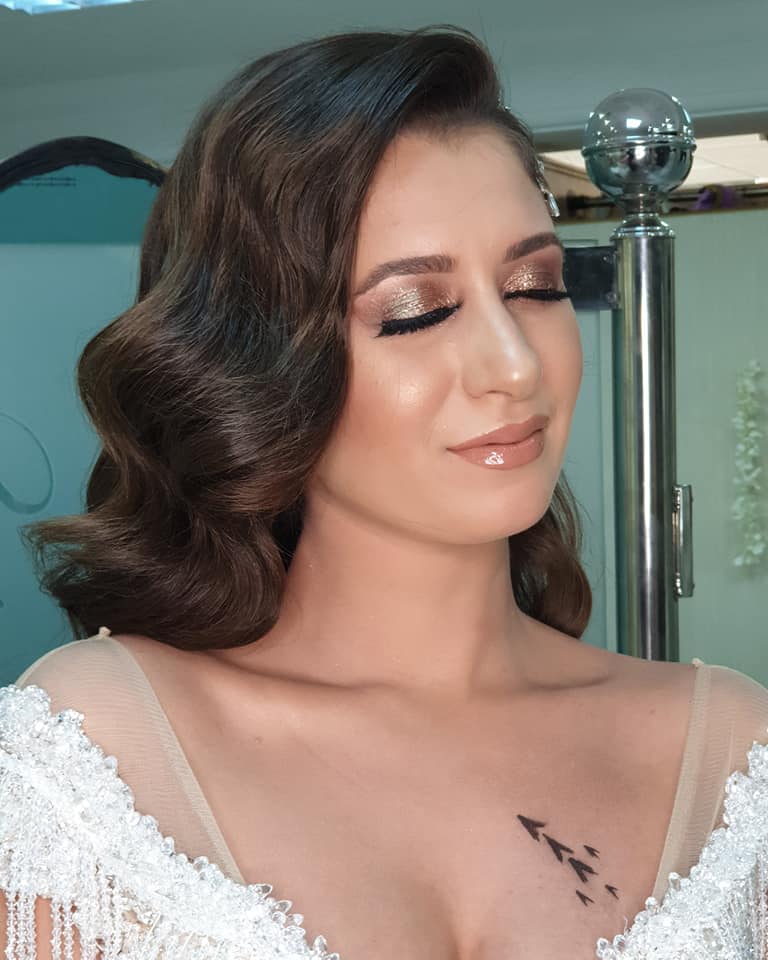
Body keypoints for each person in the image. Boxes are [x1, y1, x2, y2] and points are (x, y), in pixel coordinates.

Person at [2, 25, 768, 960]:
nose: (514, 366)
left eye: (535, 285)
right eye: (416, 311)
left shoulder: (732, 755)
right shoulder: (94, 755)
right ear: (257, 368)